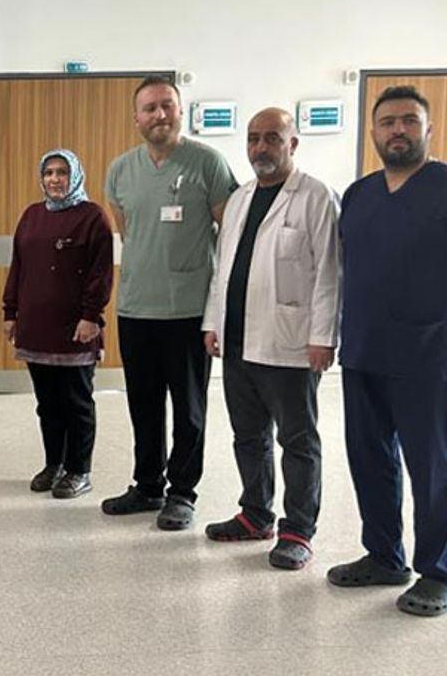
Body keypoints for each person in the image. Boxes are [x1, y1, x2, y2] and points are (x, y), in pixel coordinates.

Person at [200, 108, 339, 570]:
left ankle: (298, 529)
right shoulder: (240, 198)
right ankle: (255, 514)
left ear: (292, 143)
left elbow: (330, 274)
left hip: (291, 344)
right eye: (253, 138)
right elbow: (223, 270)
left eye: (272, 138)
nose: (260, 147)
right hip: (238, 340)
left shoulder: (315, 197)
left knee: (297, 440)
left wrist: (323, 336)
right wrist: (212, 322)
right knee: (248, 435)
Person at [329, 85, 447, 617]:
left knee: (433, 467)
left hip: (429, 355)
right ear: (374, 132)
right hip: (364, 350)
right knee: (369, 458)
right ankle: (383, 555)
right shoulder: (359, 195)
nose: (398, 130)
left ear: (428, 129)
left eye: (409, 121)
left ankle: (438, 570)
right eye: (388, 122)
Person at [100, 77, 238, 530]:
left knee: (189, 409)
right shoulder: (121, 170)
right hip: (136, 307)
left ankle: (182, 492)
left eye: (167, 105)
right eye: (150, 108)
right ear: (136, 118)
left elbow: (231, 235)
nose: (159, 115)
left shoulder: (207, 163)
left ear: (180, 111)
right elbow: (129, 232)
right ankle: (147, 486)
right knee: (143, 405)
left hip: (188, 311)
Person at [1, 148, 113, 500]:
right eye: (48, 172)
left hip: (75, 328)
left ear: (75, 175)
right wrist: (9, 312)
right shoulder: (31, 216)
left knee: (76, 402)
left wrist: (91, 316)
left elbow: (100, 273)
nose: (54, 179)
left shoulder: (92, 217)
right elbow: (18, 267)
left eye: (62, 172)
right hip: (36, 326)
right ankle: (54, 464)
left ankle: (79, 469)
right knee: (47, 403)